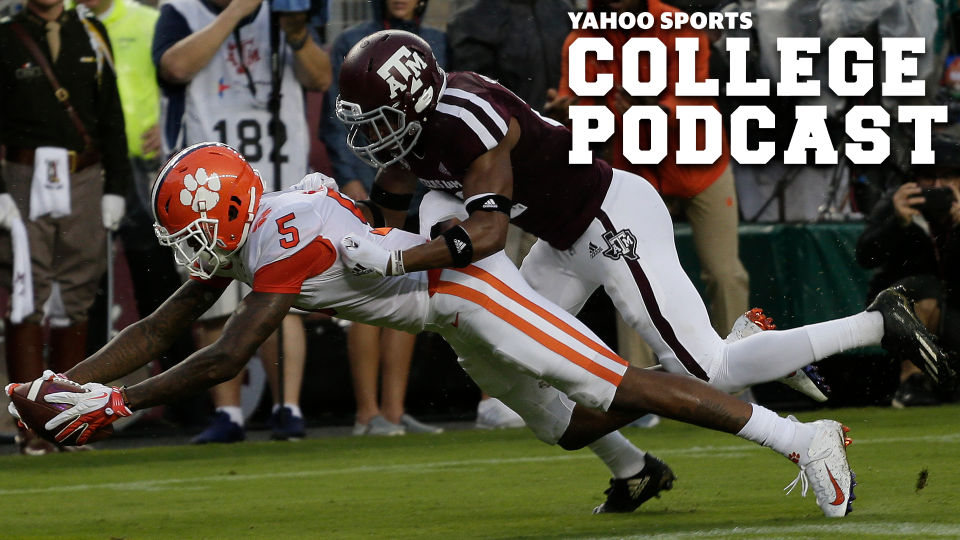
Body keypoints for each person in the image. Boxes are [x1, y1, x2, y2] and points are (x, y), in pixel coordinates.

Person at [9, 143, 856, 519]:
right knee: (565, 426)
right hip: (443, 307)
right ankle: (637, 470)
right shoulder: (255, 226)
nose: (187, 252)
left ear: (228, 211)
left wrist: (113, 403)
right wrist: (77, 384)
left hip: (470, 288)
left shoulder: (281, 240)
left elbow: (228, 352)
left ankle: (800, 438)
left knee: (614, 383)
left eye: (192, 231)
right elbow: (162, 326)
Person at [331, 29, 955, 506]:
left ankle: (873, 328)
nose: (372, 135)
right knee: (519, 391)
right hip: (561, 237)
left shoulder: (468, 118)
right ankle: (633, 469)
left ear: (414, 100)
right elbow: (392, 184)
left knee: (710, 369)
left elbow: (489, 234)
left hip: (610, 220)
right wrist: (352, 226)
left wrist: (392, 256)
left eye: (379, 118)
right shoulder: (420, 131)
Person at [151, 0, 330, 441]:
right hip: (209, 191)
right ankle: (227, 414)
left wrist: (296, 32)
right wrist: (234, 13)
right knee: (212, 302)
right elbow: (174, 67)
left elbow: (321, 77)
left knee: (280, 296)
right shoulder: (182, 11)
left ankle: (289, 407)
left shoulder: (285, 10)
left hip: (278, 177)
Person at [0, 0, 130, 453]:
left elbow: (111, 113)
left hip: (83, 173)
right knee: (25, 295)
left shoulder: (91, 32)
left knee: (77, 294)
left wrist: (117, 186)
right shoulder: (5, 33)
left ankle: (68, 422)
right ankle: (27, 424)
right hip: (21, 174)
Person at [446, 0, 574, 430]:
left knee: (551, 284)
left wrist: (562, 106)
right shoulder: (473, 20)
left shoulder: (561, 10)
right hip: (495, 166)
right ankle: (495, 394)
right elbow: (475, 102)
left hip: (549, 160)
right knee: (498, 277)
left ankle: (549, 385)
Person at [319, 0, 445, 436]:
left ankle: (392, 411)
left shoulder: (439, 42)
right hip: (373, 176)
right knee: (366, 290)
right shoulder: (352, 43)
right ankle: (365, 412)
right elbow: (335, 123)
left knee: (410, 292)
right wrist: (351, 180)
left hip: (425, 184)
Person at [856, 131, 960, 408]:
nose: (938, 185)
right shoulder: (897, 202)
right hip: (905, 307)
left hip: (955, 309)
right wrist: (897, 222)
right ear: (914, 179)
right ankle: (911, 381)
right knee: (926, 287)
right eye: (929, 177)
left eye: (948, 177)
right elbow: (866, 255)